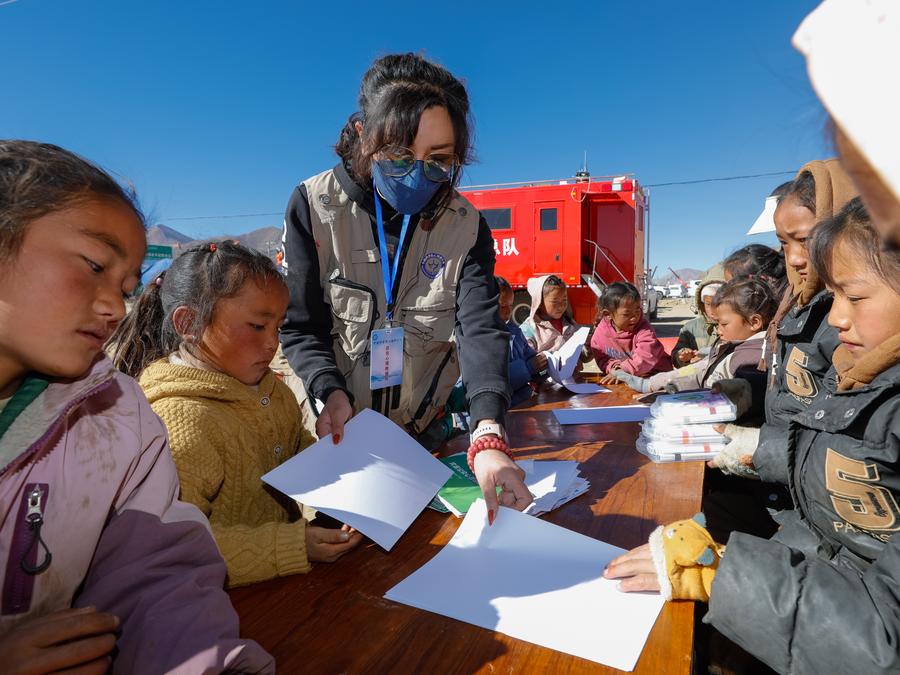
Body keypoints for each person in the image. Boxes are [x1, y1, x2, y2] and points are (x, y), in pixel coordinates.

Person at [0, 141, 272, 673]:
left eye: (126, 286)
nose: (114, 306)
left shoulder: (118, 418)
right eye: (94, 265)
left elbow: (159, 579)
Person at [605, 198, 900, 674]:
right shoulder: (861, 366)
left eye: (855, 297)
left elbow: (884, 642)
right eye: (785, 244)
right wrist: (751, 410)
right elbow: (815, 444)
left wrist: (727, 576)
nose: (838, 318)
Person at [278, 53, 531, 520]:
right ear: (362, 135)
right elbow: (300, 327)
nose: (418, 174)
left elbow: (479, 329)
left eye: (438, 162)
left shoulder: (466, 226)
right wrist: (327, 389)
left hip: (422, 441)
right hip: (336, 441)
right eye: (398, 156)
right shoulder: (313, 207)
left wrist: (488, 433)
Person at [109, 241, 363, 588]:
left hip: (287, 585)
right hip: (223, 606)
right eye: (258, 326)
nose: (273, 343)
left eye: (278, 327)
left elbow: (294, 447)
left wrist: (338, 472)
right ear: (189, 322)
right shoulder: (179, 422)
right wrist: (291, 545)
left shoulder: (271, 390)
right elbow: (175, 543)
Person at [713, 160, 856, 479]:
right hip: (789, 475)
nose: (792, 258)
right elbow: (802, 392)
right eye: (783, 243)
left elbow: (846, 432)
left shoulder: (853, 319)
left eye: (805, 239)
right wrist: (752, 390)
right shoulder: (798, 302)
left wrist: (763, 449)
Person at [611, 278, 777, 394]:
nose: (719, 330)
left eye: (724, 324)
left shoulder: (752, 359)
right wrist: (656, 382)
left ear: (755, 322)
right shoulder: (697, 330)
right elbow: (695, 370)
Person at [591, 281, 672, 378]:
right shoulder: (600, 334)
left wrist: (623, 371)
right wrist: (614, 369)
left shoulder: (644, 329)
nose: (634, 318)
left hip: (656, 376)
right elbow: (603, 359)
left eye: (637, 311)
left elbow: (646, 356)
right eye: (627, 314)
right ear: (607, 314)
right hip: (626, 378)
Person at [497, 277, 546, 406]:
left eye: (511, 305)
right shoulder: (479, 340)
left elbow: (531, 359)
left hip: (521, 403)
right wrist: (530, 367)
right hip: (498, 413)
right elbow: (494, 385)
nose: (508, 311)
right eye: (502, 306)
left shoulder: (515, 333)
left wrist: (547, 366)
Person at [519, 275, 579, 353]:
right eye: (555, 302)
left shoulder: (569, 323)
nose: (561, 306)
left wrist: (588, 349)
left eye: (564, 300)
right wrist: (533, 363)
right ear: (539, 303)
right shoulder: (528, 329)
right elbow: (524, 357)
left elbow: (582, 355)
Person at [671, 280, 722, 368]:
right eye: (708, 304)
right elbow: (676, 356)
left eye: (718, 304)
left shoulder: (736, 325)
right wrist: (682, 357)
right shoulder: (690, 328)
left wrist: (706, 359)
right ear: (702, 304)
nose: (713, 309)